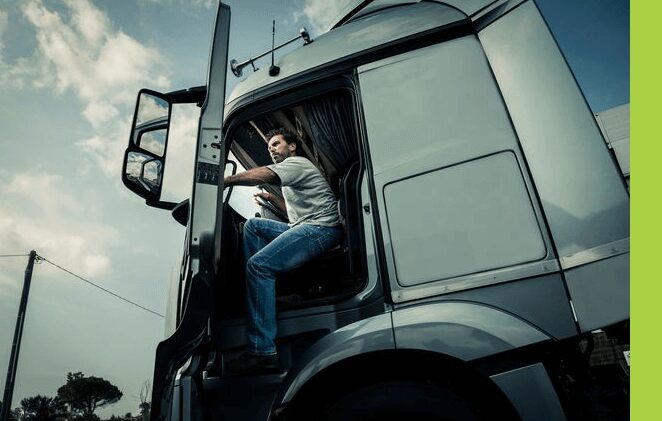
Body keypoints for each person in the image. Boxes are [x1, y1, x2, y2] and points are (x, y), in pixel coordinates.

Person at [223, 128, 344, 375]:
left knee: (258, 266)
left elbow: (264, 174)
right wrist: (271, 199)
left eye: (276, 144)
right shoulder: (291, 175)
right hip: (305, 225)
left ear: (292, 147)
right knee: (254, 226)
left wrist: (225, 180)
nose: (271, 149)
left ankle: (262, 351)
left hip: (322, 228)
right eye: (270, 147)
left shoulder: (296, 163)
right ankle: (265, 294)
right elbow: (294, 217)